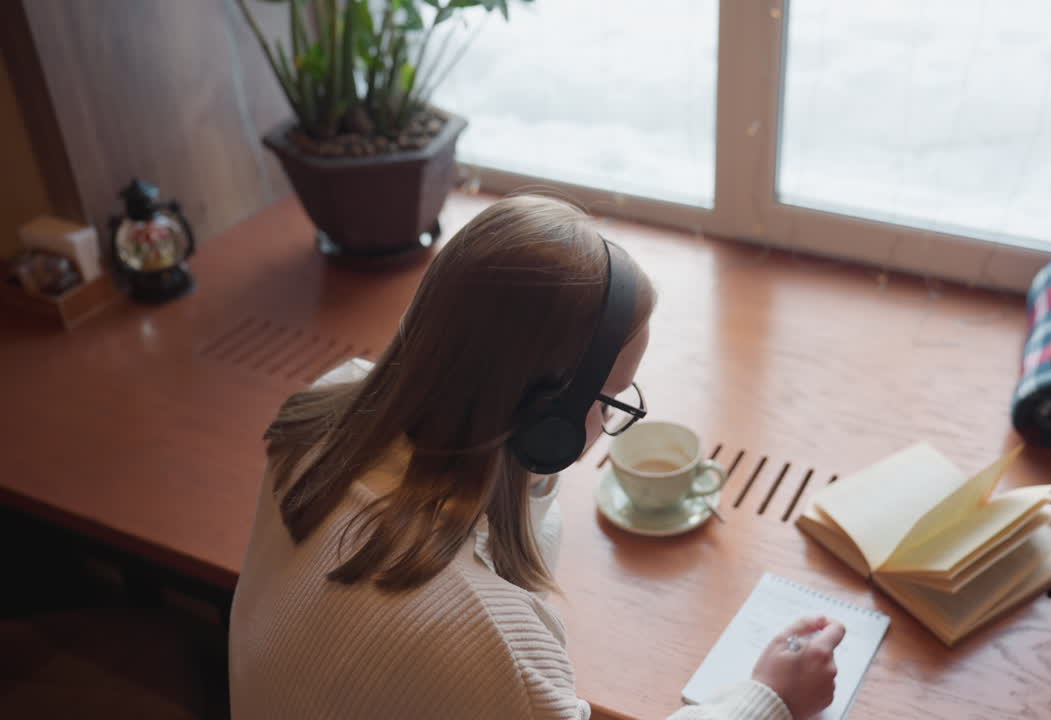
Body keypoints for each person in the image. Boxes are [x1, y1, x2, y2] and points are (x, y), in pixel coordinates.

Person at [228, 195, 846, 719]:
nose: (611, 418)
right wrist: (768, 698)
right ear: (546, 422)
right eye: (610, 399)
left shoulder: (323, 417)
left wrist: (531, 462)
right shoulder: (489, 636)